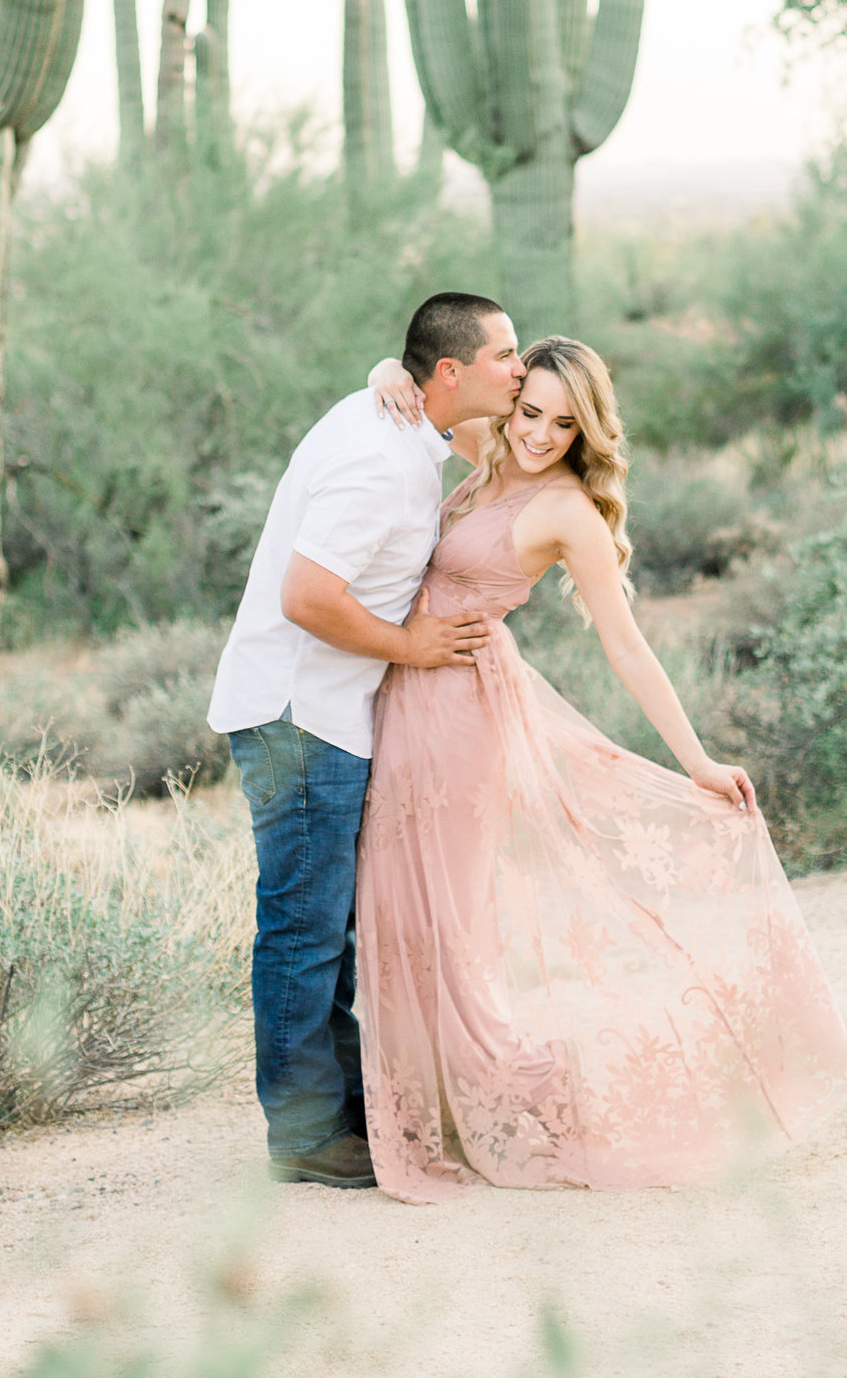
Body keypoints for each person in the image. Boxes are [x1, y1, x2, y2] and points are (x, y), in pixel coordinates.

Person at [355, 335, 847, 1204]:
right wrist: (384, 375)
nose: (540, 436)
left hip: (462, 716)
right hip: (407, 694)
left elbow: (625, 644)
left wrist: (696, 758)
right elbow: (427, 401)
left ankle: (500, 1103)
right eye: (530, 412)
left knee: (451, 919)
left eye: (561, 423)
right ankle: (440, 1097)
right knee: (402, 908)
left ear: (585, 431)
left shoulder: (565, 512)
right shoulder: (487, 450)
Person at [206, 292, 526, 1189]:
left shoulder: (396, 420)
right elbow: (306, 596)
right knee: (305, 928)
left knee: (331, 926)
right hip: (297, 715)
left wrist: (389, 374)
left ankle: (336, 1105)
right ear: (451, 371)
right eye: (505, 354)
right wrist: (411, 646)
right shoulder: (379, 459)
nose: (521, 365)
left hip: (328, 713)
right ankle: (304, 1133)